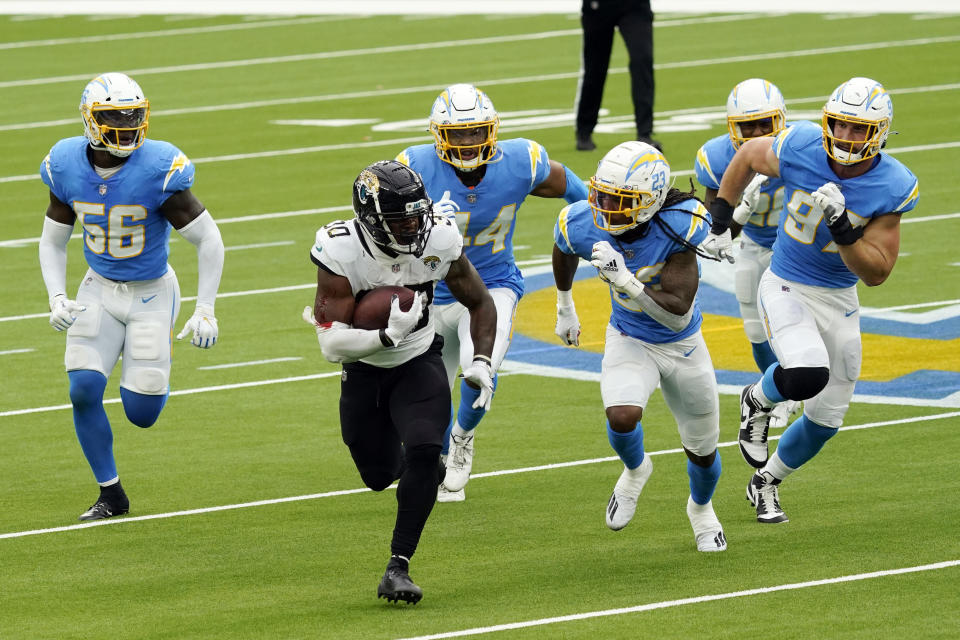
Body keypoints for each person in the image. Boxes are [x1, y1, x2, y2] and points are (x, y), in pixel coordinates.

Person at [701, 77, 919, 523]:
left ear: (880, 132)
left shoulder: (892, 184)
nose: (845, 136)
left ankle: (767, 482)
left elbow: (876, 273)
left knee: (827, 420)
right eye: (839, 125)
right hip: (786, 282)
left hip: (839, 297)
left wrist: (844, 228)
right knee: (806, 372)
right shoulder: (800, 143)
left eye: (858, 129)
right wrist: (722, 213)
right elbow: (746, 155)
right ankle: (757, 400)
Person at [302, 160, 496, 603]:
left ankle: (398, 566)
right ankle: (412, 471)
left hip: (418, 359)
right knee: (377, 475)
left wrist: (481, 359)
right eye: (400, 218)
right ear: (370, 218)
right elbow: (331, 346)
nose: (414, 226)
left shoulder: (439, 239)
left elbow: (480, 302)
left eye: (416, 213)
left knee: (427, 447)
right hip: (365, 369)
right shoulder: (341, 251)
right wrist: (387, 334)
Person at [38, 72, 224, 522]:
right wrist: (56, 297)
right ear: (89, 120)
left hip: (151, 293)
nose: (125, 124)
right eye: (113, 116)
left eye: (132, 115)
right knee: (83, 388)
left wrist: (205, 308)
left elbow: (209, 239)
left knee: (141, 413)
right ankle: (111, 493)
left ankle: (153, 364)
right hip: (97, 289)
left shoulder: (158, 167)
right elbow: (52, 240)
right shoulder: (65, 163)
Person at [396, 83, 588, 502]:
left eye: (476, 131)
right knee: (426, 403)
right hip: (432, 291)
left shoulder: (521, 161)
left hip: (493, 284)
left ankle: (463, 441)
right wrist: (425, 221)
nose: (468, 142)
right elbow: (385, 231)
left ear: (492, 130)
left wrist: (597, 227)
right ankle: (441, 453)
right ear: (439, 135)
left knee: (476, 367)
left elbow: (574, 191)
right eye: (459, 134)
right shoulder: (413, 167)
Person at [552, 140, 726, 552]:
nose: (606, 208)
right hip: (629, 336)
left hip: (682, 345)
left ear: (650, 201)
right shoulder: (583, 221)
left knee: (702, 451)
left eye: (621, 200)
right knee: (622, 415)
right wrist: (564, 305)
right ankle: (635, 469)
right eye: (604, 195)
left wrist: (625, 279)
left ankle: (701, 509)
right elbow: (563, 246)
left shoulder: (681, 224)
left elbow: (677, 312)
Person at [694, 78, 799, 446]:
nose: (755, 133)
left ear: (781, 121)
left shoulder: (799, 146)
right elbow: (716, 234)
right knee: (756, 329)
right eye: (747, 126)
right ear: (731, 127)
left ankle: (803, 379)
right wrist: (739, 211)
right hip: (754, 244)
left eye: (764, 124)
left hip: (798, 247)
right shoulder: (716, 157)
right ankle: (782, 391)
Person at [574, 0, 658, 152]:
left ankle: (645, 133)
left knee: (642, 60)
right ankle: (584, 131)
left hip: (635, 7)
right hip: (599, 7)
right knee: (595, 68)